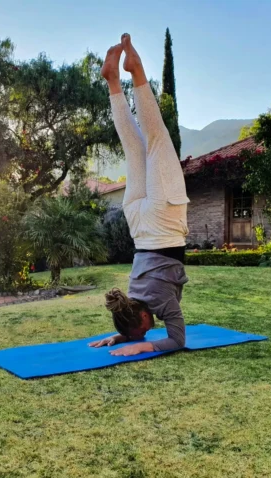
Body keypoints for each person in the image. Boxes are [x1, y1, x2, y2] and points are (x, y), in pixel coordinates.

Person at [89, 34, 190, 357]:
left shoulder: (162, 302)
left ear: (143, 317)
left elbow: (178, 341)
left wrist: (141, 346)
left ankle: (136, 70)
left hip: (163, 222)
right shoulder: (131, 294)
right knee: (134, 148)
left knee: (157, 138)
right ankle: (113, 82)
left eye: (144, 329)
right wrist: (121, 337)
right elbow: (135, 319)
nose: (148, 330)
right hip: (137, 223)